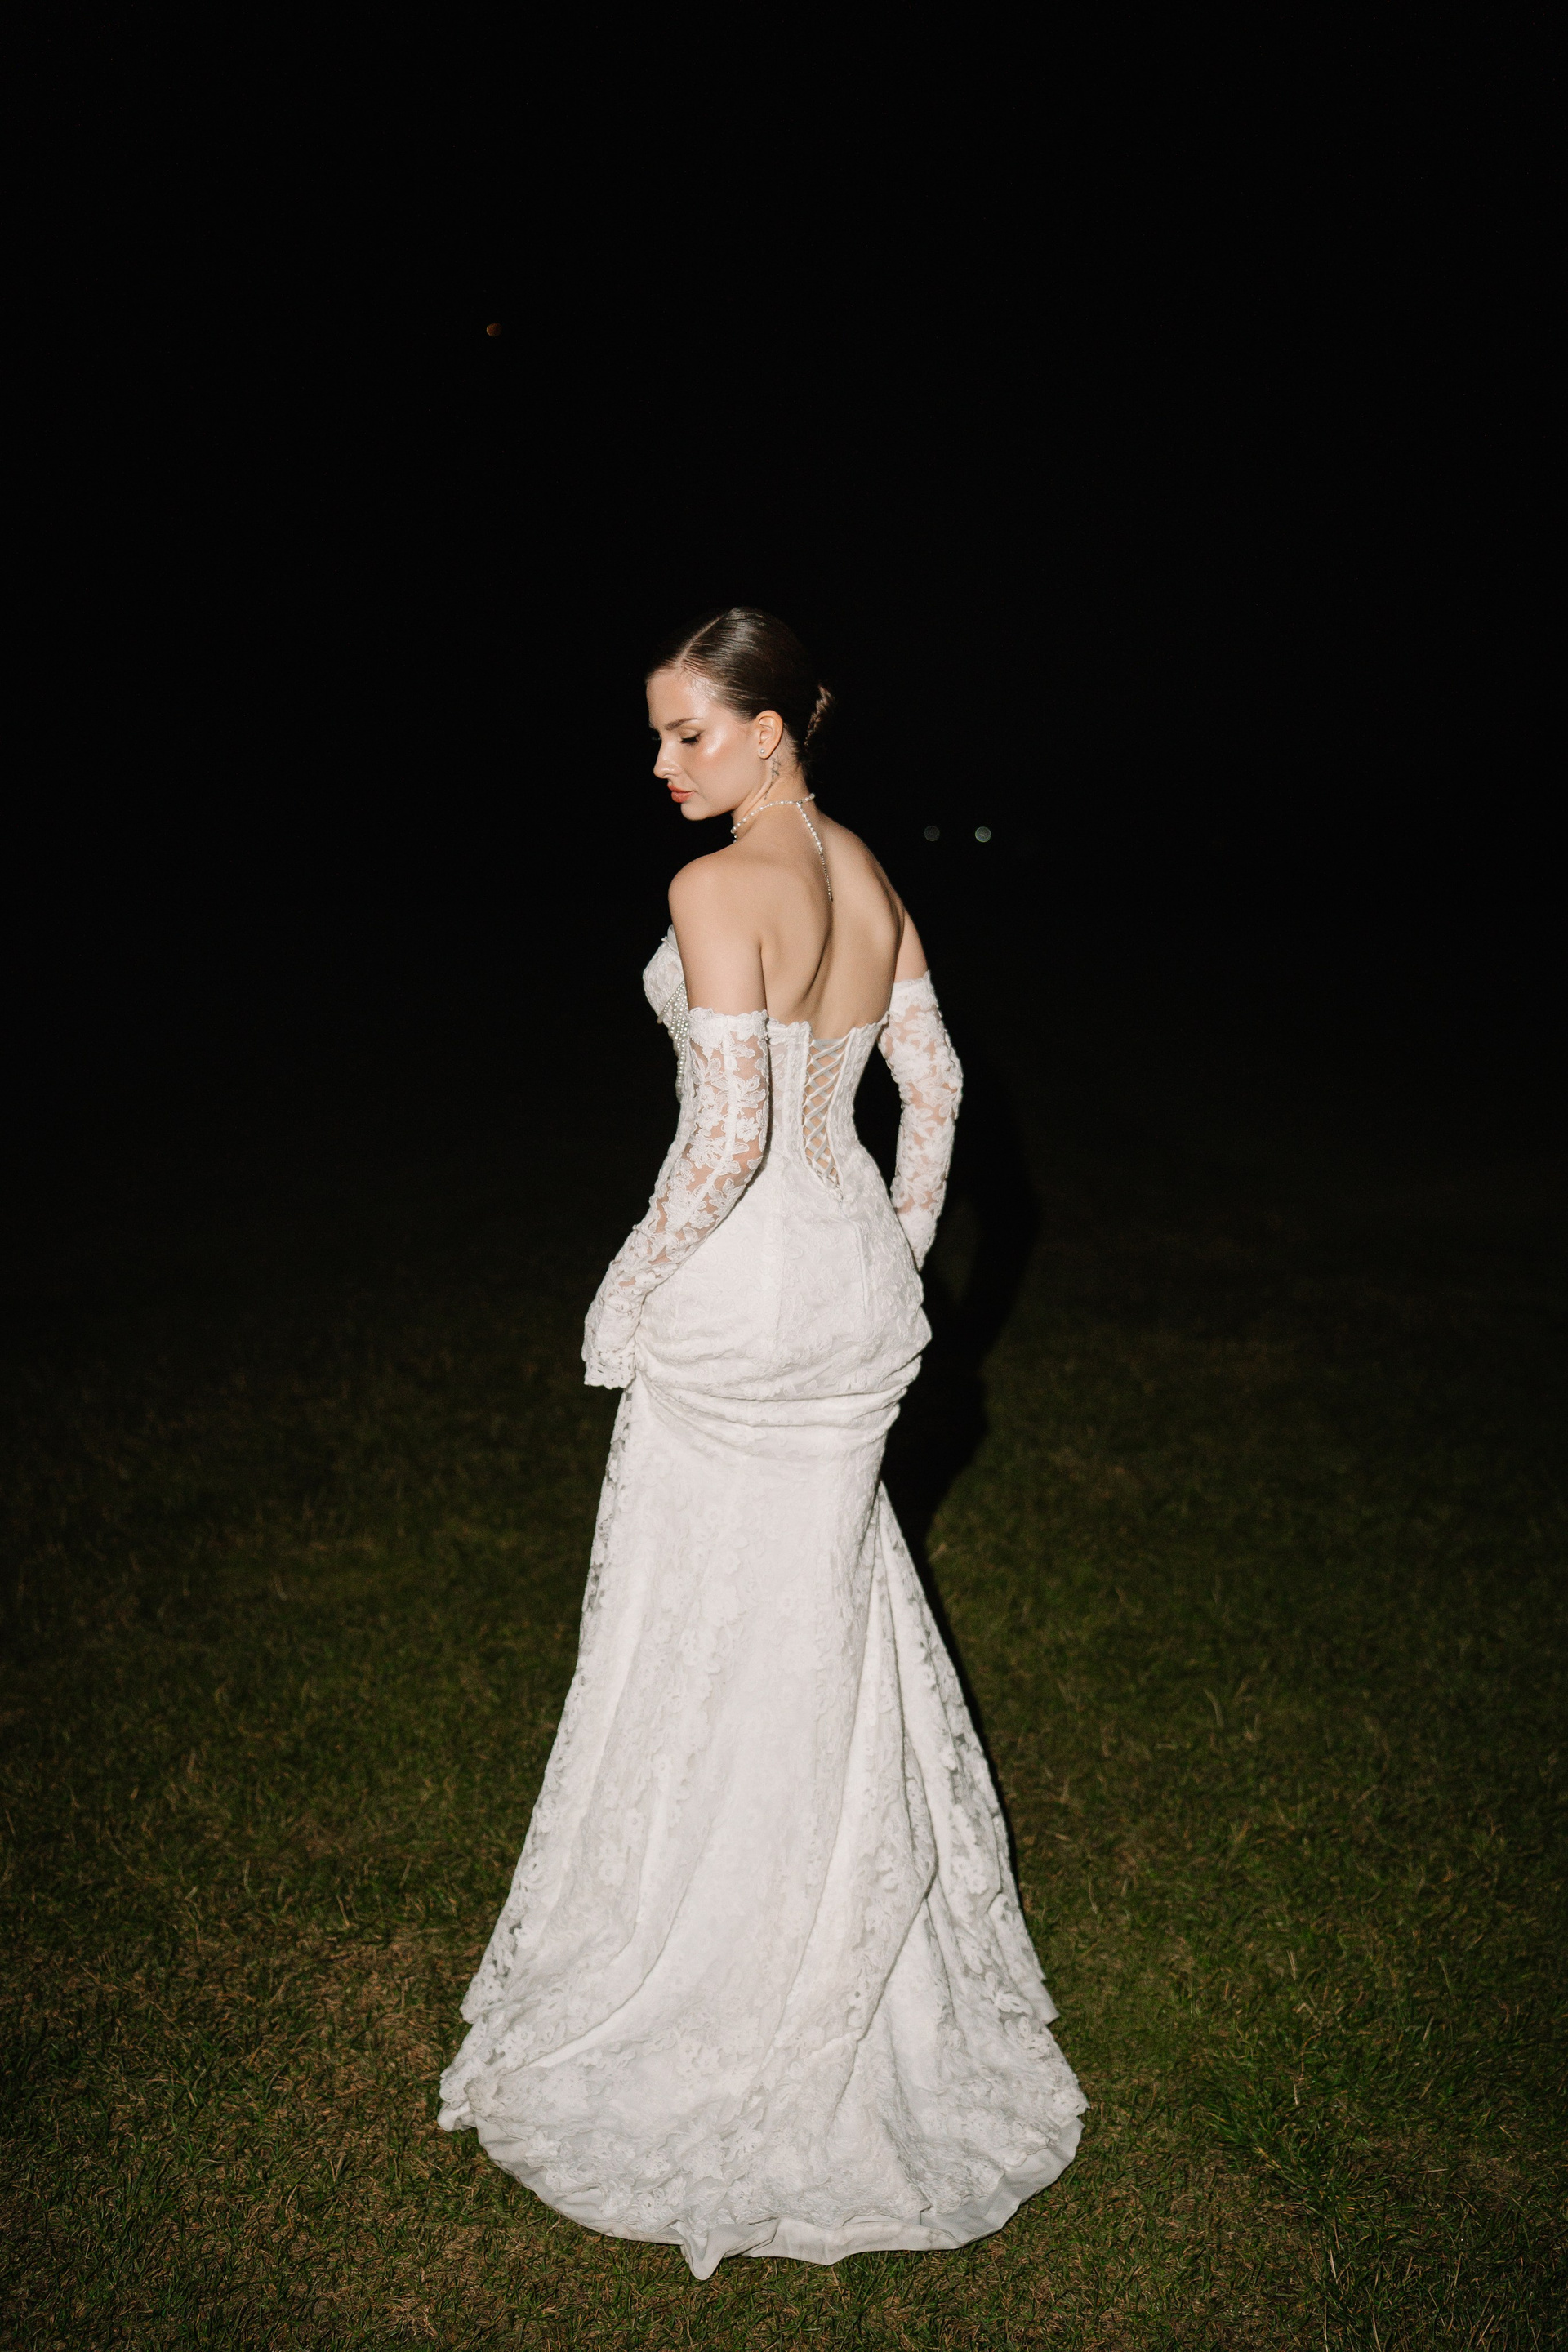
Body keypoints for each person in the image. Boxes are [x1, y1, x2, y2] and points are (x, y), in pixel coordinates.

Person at [439, 609, 1084, 2277]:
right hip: (851, 1290)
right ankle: (841, 1948)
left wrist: (625, 1290)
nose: (662, 763)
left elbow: (726, 1138)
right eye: (659, 734)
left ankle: (716, 1967)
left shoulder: (718, 890)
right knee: (818, 1622)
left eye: (689, 733)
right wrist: (896, 1253)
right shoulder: (864, 872)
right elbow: (934, 1092)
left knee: (698, 1630)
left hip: (740, 1297)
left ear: (775, 727)